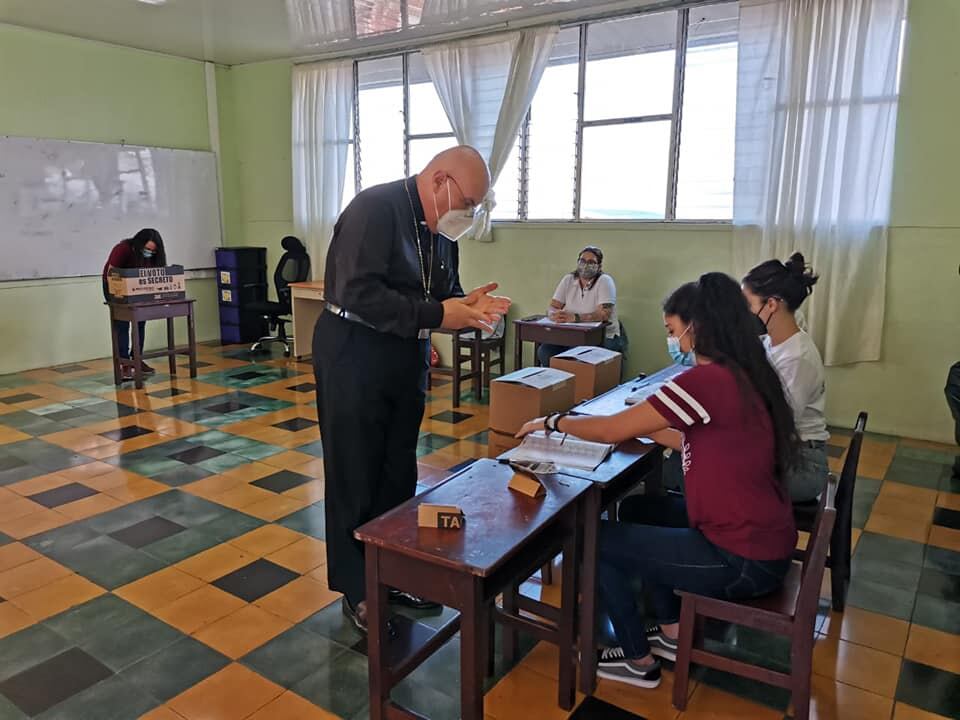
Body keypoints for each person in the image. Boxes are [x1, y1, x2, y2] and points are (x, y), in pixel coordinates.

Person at [516, 273, 799, 689]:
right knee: (637, 509)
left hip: (741, 559)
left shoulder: (706, 380)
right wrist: (641, 427)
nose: (675, 343)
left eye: (673, 332)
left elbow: (611, 430)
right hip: (762, 538)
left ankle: (637, 659)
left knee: (594, 539)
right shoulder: (743, 373)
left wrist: (554, 420)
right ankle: (670, 631)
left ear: (696, 327)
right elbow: (689, 437)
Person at [313, 146, 511, 634]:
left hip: (406, 355)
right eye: (467, 202)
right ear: (439, 179)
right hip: (354, 349)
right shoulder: (375, 209)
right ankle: (357, 588)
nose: (468, 215)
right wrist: (440, 314)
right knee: (355, 470)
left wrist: (467, 306)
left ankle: (392, 572)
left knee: (397, 471)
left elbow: (441, 294)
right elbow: (360, 292)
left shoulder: (441, 231)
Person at [742, 253, 829, 502]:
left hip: (802, 465)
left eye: (748, 305)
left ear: (771, 304)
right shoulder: (770, 342)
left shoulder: (797, 357)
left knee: (714, 471)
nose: (744, 313)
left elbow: (776, 425)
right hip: (783, 452)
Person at [537, 246, 624, 366]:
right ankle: (560, 382)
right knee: (545, 351)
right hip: (571, 334)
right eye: (582, 261)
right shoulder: (568, 279)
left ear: (599, 266)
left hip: (602, 335)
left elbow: (604, 314)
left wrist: (576, 318)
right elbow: (554, 306)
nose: (586, 265)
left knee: (580, 357)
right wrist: (554, 315)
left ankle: (577, 383)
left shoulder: (605, 281)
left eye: (591, 262)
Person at [102, 228, 167, 382]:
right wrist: (120, 294)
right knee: (122, 323)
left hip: (137, 286)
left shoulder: (153, 256)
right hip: (114, 285)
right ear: (138, 244)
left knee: (140, 321)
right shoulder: (123, 249)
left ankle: (137, 358)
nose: (149, 253)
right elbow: (112, 273)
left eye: (152, 251)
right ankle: (124, 363)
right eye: (146, 249)